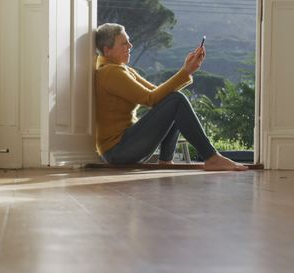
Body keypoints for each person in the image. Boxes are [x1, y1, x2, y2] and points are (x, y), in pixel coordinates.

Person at [94, 23, 247, 171]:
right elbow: (151, 99)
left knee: (171, 100)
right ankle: (211, 157)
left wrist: (186, 69)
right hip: (118, 151)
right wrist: (186, 71)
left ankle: (166, 161)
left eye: (129, 42)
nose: (130, 46)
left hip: (126, 147)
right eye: (124, 43)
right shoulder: (110, 72)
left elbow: (158, 94)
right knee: (176, 100)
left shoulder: (121, 69)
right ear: (107, 50)